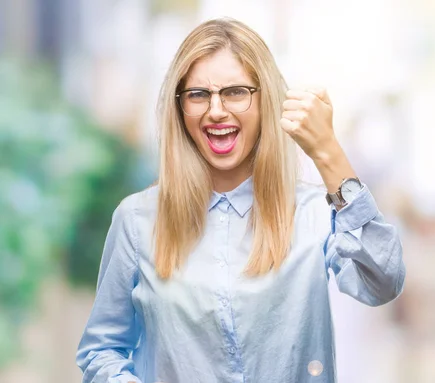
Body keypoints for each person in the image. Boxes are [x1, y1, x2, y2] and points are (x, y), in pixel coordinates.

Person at [76, 17, 405, 383]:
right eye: (198, 94)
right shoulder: (137, 221)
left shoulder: (313, 213)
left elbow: (382, 282)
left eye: (235, 92)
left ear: (266, 101)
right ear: (180, 108)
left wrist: (329, 154)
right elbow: (102, 349)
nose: (216, 110)